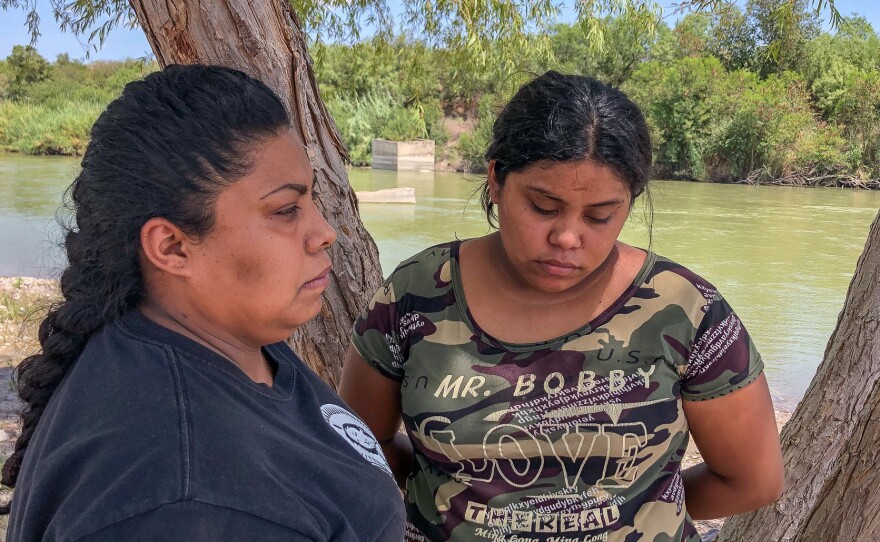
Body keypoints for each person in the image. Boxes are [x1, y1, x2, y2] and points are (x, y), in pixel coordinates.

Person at [339, 71, 784, 541]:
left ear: (629, 205)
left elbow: (753, 481)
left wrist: (639, 504)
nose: (567, 238)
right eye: (543, 207)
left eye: (600, 216)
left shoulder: (689, 311)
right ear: (496, 180)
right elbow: (360, 444)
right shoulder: (415, 293)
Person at [3, 64, 405, 541]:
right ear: (171, 247)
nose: (324, 232)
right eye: (285, 210)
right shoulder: (184, 503)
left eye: (311, 198)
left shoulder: (228, 337)